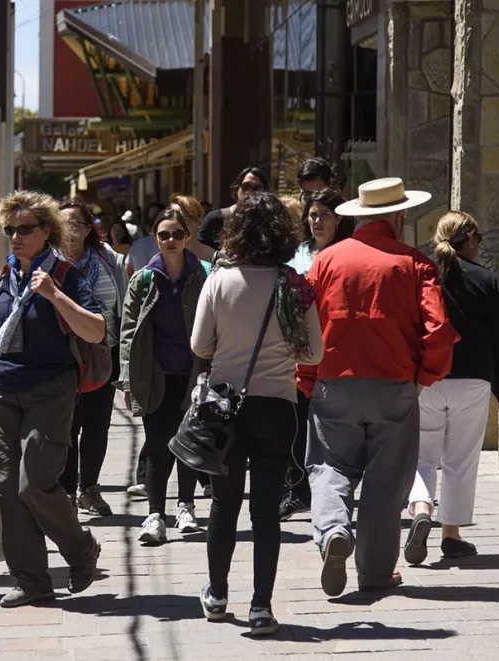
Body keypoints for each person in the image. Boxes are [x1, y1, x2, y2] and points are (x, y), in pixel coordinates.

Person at [301, 177, 458, 596]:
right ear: (400, 214)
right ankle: (373, 573)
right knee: (387, 481)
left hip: (335, 381)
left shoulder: (326, 260)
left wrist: (307, 378)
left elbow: (306, 326)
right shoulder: (414, 263)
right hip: (395, 384)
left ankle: (334, 528)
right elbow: (438, 330)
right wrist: (425, 377)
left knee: (329, 466)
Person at [191, 193, 323, 636]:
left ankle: (216, 592)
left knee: (223, 503)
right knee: (266, 511)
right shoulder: (294, 284)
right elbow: (314, 351)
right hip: (277, 405)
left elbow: (199, 345)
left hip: (225, 407)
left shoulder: (219, 281)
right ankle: (262, 606)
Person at [0, 190, 104, 608]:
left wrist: (53, 295)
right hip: (6, 391)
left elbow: (97, 331)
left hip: (51, 389)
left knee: (35, 483)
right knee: (6, 487)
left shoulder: (64, 274)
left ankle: (81, 550)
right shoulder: (5, 275)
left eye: (24, 229)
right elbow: (0, 337)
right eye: (9, 230)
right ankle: (32, 581)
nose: (14, 237)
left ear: (46, 231)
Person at [404, 211, 499, 564]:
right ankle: (451, 534)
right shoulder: (487, 281)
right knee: (460, 460)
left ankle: (421, 508)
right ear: (469, 241)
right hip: (473, 379)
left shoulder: (421, 275)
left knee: (422, 455)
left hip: (428, 377)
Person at [119, 207, 210, 545]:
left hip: (194, 375)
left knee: (189, 444)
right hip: (154, 375)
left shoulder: (204, 275)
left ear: (187, 237)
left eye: (177, 234)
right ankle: (156, 513)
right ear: (155, 238)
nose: (171, 241)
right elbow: (127, 334)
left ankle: (186, 507)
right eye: (163, 235)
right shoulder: (143, 279)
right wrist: (128, 383)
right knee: (158, 445)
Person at [280, 188, 354, 521]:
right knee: (295, 431)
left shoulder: (349, 255)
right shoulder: (297, 255)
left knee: (334, 433)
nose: (317, 221)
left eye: (325, 214)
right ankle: (298, 491)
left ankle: (337, 494)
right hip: (300, 356)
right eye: (312, 215)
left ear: (340, 218)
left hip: (340, 356)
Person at [56, 199, 127, 516]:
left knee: (98, 425)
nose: (71, 229)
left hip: (104, 351)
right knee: (67, 426)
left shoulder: (109, 259)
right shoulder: (50, 261)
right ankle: (67, 492)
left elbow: (124, 307)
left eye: (78, 223)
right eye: (65, 222)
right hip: (63, 354)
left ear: (89, 229)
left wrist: (126, 361)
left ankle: (90, 489)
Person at [198, 167, 269, 250]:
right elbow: (200, 252)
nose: (250, 191)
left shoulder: (270, 220)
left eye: (256, 188)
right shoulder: (215, 218)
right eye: (246, 186)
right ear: (237, 188)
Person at [124, 201, 166, 275]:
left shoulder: (136, 245)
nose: (154, 222)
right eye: (152, 219)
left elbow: (127, 271)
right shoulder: (171, 245)